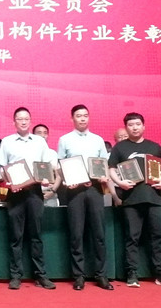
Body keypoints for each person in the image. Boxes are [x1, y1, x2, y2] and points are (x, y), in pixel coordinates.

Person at [108, 112, 161, 288]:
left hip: (153, 198)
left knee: (157, 236)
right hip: (131, 199)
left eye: (138, 124)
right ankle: (132, 273)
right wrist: (120, 183)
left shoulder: (154, 146)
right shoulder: (120, 148)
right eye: (131, 125)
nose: (135, 127)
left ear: (143, 126)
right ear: (126, 127)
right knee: (132, 237)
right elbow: (111, 169)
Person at [0, 107, 56, 290]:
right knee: (16, 236)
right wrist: (9, 180)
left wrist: (47, 177)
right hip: (15, 194)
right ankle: (16, 276)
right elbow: (1, 168)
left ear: (30, 121)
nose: (23, 122)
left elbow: (47, 164)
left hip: (35, 192)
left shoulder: (39, 141)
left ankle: (41, 275)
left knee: (36, 234)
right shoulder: (7, 142)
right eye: (19, 119)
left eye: (26, 119)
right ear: (14, 122)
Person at [56, 105, 114, 291]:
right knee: (76, 234)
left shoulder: (97, 140)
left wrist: (104, 177)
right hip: (74, 191)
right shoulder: (65, 139)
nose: (82, 118)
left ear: (89, 118)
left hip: (95, 189)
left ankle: (101, 275)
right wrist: (67, 180)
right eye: (79, 116)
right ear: (72, 119)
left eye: (85, 116)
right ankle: (78, 276)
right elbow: (59, 165)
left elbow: (104, 164)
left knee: (99, 233)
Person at [32, 124, 60, 207]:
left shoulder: (52, 153)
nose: (43, 135)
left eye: (45, 133)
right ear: (33, 135)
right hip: (32, 193)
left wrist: (53, 191)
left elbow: (58, 175)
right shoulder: (28, 153)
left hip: (50, 194)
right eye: (39, 133)